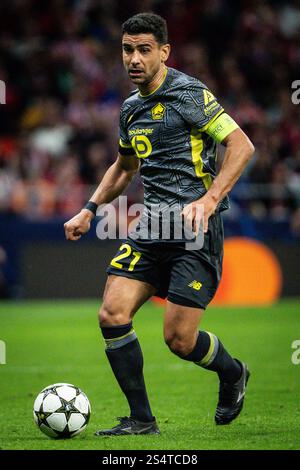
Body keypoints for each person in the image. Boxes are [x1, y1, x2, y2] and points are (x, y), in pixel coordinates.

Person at [64, 13, 255, 436]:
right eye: (128, 49)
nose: (134, 58)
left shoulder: (188, 93)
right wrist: (89, 209)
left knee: (180, 340)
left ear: (164, 52)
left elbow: (241, 145)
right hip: (152, 227)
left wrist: (209, 199)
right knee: (112, 312)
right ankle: (141, 420)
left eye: (144, 49)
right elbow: (123, 167)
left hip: (194, 230)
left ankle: (233, 373)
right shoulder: (131, 109)